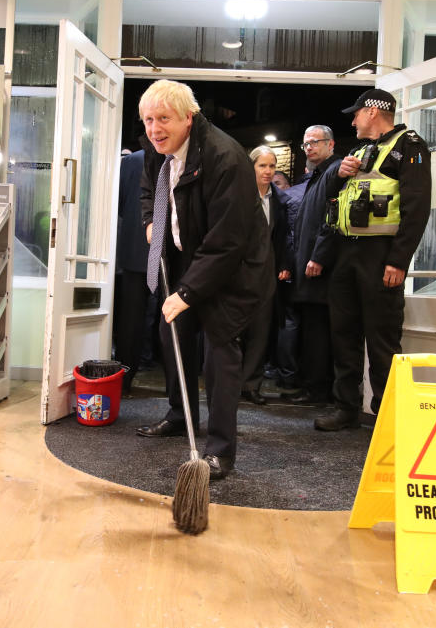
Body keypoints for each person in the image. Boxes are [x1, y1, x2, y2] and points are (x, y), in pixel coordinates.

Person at [134, 80, 274, 480]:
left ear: (188, 119)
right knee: (171, 332)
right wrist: (150, 221)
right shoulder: (154, 148)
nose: (154, 128)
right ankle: (181, 415)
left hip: (234, 266)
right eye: (148, 119)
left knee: (219, 347)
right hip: (187, 253)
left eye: (164, 119)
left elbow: (227, 241)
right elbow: (150, 188)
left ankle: (220, 450)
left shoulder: (225, 158)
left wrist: (188, 292)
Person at [316, 89, 431, 431]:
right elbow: (332, 202)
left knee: (382, 340)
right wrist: (338, 175)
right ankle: (346, 408)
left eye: (356, 114)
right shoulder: (358, 151)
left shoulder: (410, 146)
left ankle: (386, 415)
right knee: (344, 335)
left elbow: (417, 208)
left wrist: (398, 261)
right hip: (346, 253)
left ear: (372, 112)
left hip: (381, 256)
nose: (352, 121)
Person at [282, 125, 341, 406]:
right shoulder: (318, 175)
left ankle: (318, 391)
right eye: (306, 144)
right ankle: (312, 386)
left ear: (331, 145)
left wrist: (319, 256)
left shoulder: (335, 170)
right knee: (310, 330)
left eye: (315, 142)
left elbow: (332, 218)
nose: (310, 148)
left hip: (321, 269)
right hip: (307, 265)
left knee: (318, 332)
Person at [240, 145, 289, 406]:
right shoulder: (239, 195)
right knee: (235, 331)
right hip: (239, 272)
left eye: (272, 166)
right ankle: (229, 383)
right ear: (252, 167)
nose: (268, 171)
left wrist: (283, 264)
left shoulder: (280, 200)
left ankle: (251, 385)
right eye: (263, 165)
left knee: (261, 331)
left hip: (267, 274)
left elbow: (281, 237)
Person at [113, 149, 149, 394]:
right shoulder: (136, 161)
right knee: (133, 322)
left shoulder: (134, 160)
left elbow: (121, 204)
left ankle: (125, 380)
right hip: (142, 248)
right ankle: (175, 387)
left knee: (131, 321)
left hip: (137, 246)